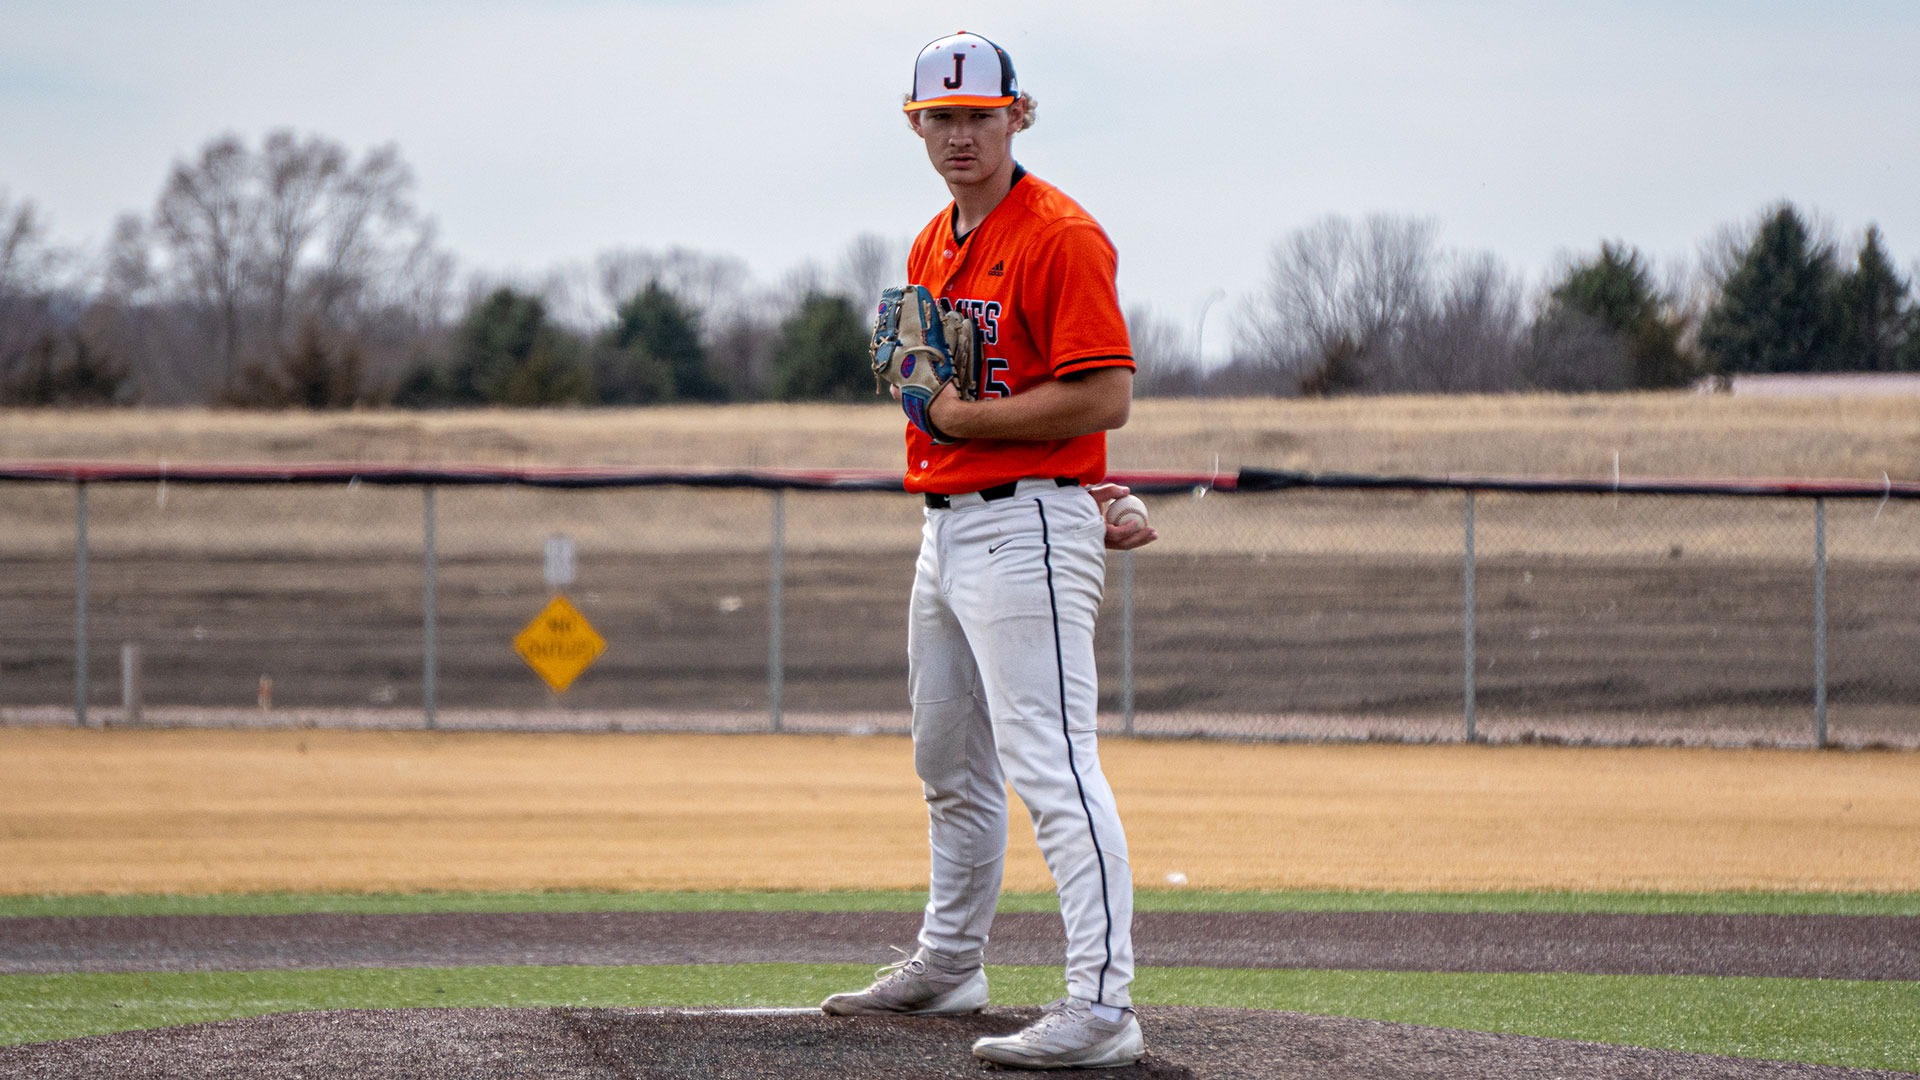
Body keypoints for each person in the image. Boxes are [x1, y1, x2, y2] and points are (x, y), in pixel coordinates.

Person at [820, 30, 1158, 1071]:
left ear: (1017, 115)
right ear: (916, 125)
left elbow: (1107, 394)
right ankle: (951, 963)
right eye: (941, 118)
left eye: (978, 115)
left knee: (1052, 765)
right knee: (948, 763)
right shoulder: (934, 242)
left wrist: (1014, 449)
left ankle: (1102, 1003)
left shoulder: (1060, 235)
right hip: (950, 526)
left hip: (1025, 525)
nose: (959, 134)